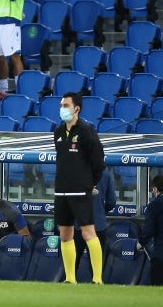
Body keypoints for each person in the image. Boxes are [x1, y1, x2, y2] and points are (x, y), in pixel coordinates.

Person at [54, 91, 107, 284]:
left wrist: (88, 183)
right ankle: (69, 278)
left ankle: (98, 279)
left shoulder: (86, 131)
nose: (62, 109)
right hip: (61, 190)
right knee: (65, 234)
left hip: (80, 191)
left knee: (87, 232)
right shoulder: (58, 132)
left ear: (77, 108)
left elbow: (98, 163)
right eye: (61, 105)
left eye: (66, 105)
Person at [74, 169, 117, 273]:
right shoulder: (105, 173)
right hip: (98, 225)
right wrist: (101, 210)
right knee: (96, 265)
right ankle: (96, 282)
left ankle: (69, 282)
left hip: (78, 225)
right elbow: (111, 201)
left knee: (73, 263)